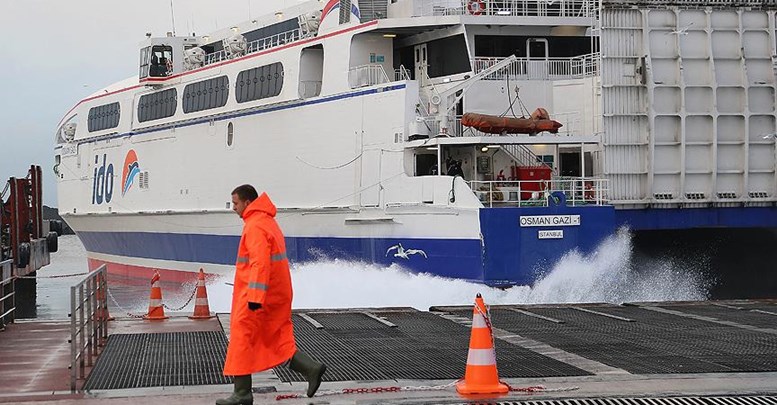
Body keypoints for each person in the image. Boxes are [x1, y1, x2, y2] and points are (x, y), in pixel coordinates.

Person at [218, 185, 326, 405]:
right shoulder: (267, 221)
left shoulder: (255, 226)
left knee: (241, 336)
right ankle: (311, 369)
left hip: (258, 295)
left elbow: (259, 263)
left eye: (236, 203)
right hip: (276, 293)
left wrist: (255, 299)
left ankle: (242, 393)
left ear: (247, 203)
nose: (233, 208)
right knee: (274, 338)